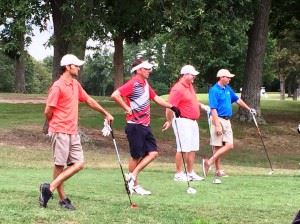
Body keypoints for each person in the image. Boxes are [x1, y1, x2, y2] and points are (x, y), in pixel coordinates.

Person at [39, 54, 114, 209]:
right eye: (76, 65)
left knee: (79, 163)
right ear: (68, 67)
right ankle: (62, 199)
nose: (79, 68)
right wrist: (54, 123)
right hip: (59, 130)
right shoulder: (57, 86)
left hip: (72, 131)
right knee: (59, 165)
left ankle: (49, 188)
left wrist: (105, 112)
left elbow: (89, 100)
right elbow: (48, 110)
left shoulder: (75, 84)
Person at [111, 58, 180, 196]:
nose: (149, 71)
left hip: (145, 125)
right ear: (139, 70)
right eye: (147, 69)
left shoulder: (145, 84)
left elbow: (156, 98)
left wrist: (172, 106)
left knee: (153, 153)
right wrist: (126, 107)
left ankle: (132, 176)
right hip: (135, 125)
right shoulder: (133, 83)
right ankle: (134, 185)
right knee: (136, 156)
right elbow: (115, 95)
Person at [202, 69, 256, 179]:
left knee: (229, 145)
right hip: (217, 119)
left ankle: (209, 162)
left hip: (227, 120)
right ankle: (217, 170)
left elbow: (237, 100)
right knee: (218, 146)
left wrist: (248, 109)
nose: (230, 79)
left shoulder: (227, 89)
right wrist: (217, 125)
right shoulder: (214, 90)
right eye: (228, 77)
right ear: (221, 77)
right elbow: (213, 109)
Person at [162, 65, 209, 182]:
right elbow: (169, 107)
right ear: (185, 75)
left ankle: (190, 172)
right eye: (192, 75)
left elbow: (192, 101)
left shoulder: (189, 86)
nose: (194, 77)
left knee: (193, 147)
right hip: (181, 120)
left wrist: (202, 106)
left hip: (192, 121)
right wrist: (169, 120)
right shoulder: (177, 89)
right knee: (183, 148)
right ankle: (178, 173)